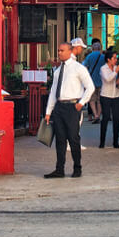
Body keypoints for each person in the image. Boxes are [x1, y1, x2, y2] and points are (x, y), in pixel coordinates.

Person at [44, 42, 94, 178]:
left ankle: (77, 168)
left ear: (70, 51)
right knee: (60, 139)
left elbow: (90, 87)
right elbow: (53, 91)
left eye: (62, 50)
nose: (59, 53)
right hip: (59, 107)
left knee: (73, 138)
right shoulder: (57, 71)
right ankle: (59, 169)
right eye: (58, 50)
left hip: (72, 106)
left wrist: (81, 102)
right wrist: (49, 112)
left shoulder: (78, 68)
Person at [98, 51, 119, 148]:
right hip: (106, 95)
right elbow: (108, 79)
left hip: (116, 95)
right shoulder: (103, 68)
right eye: (113, 58)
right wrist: (116, 71)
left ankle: (115, 142)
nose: (115, 60)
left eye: (116, 58)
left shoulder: (116, 68)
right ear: (108, 59)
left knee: (116, 118)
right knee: (105, 118)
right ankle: (102, 141)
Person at [82, 39, 106, 123]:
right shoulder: (103, 57)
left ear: (92, 48)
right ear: (100, 48)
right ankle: (98, 115)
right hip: (102, 80)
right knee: (99, 99)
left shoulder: (89, 56)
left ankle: (95, 114)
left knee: (92, 99)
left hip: (91, 81)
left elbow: (84, 67)